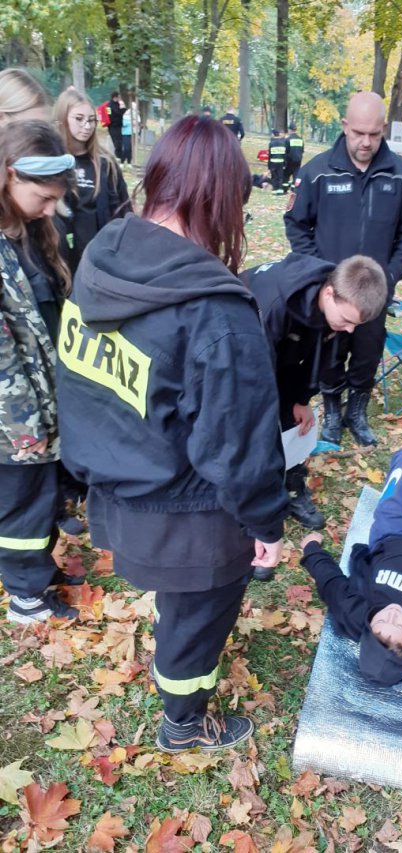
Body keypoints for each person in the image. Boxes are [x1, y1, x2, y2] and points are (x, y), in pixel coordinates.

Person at [56, 116, 289, 753]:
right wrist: (267, 526)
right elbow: (240, 449)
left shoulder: (102, 254)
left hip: (116, 487)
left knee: (179, 608)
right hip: (187, 517)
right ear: (219, 202)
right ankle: (183, 721)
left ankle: (173, 644)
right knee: (199, 617)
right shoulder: (214, 313)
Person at [284, 92, 402, 448]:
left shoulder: (400, 175)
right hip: (333, 292)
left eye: (374, 134)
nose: (366, 142)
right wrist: (319, 273)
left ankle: (356, 412)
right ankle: (332, 411)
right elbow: (297, 225)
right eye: (358, 132)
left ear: (383, 130)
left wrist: (391, 275)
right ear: (345, 126)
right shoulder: (317, 172)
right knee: (329, 355)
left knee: (367, 354)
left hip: (374, 293)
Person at [241, 252, 387, 547]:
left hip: (282, 356)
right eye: (346, 321)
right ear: (329, 293)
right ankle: (252, 511)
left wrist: (301, 398)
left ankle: (292, 487)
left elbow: (319, 355)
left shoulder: (337, 306)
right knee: (256, 434)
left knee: (292, 424)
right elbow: (254, 383)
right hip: (244, 357)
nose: (349, 329)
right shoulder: (272, 307)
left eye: (355, 325)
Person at [0, 120, 80, 624]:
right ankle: (24, 595)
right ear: (10, 176)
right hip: (14, 414)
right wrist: (23, 423)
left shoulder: (29, 233)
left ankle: (39, 569)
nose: (52, 209)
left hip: (45, 398)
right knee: (21, 504)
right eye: (44, 197)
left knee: (44, 495)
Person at [301, 448, 402, 685]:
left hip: (397, 531)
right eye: (398, 626)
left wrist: (311, 550)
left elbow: (332, 585)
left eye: (381, 622)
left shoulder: (358, 613)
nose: (391, 615)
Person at [53, 88, 131, 274]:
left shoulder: (106, 163)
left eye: (91, 120)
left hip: (102, 260)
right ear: (63, 119)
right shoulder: (52, 161)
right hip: (64, 262)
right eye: (79, 119)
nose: (87, 126)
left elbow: (124, 210)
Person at [283, 123, 304, 191]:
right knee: (296, 176)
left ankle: (285, 189)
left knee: (286, 175)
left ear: (290, 130)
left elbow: (285, 151)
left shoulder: (288, 139)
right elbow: (302, 150)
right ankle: (294, 189)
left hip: (289, 161)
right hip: (298, 160)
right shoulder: (300, 139)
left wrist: (284, 162)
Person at [106, 91, 124, 160]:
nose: (119, 98)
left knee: (120, 141)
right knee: (116, 142)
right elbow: (110, 115)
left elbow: (121, 112)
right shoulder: (109, 105)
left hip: (119, 125)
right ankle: (118, 156)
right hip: (112, 126)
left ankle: (119, 156)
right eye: (118, 97)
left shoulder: (118, 104)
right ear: (115, 97)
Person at [268, 129, 287, 194]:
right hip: (281, 162)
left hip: (273, 162)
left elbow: (270, 155)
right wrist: (285, 164)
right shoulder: (283, 143)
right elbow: (284, 155)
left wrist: (269, 165)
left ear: (273, 134)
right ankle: (280, 189)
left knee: (274, 176)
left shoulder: (271, 143)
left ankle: (274, 189)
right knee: (280, 176)